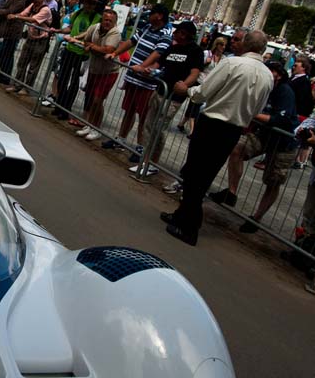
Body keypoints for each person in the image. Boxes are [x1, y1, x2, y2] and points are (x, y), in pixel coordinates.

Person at [159, 30, 273, 245]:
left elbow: (206, 90)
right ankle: (182, 215)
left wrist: (187, 90)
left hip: (213, 124)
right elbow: (257, 108)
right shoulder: (267, 75)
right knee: (203, 174)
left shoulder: (232, 64)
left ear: (247, 44)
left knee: (194, 174)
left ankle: (190, 226)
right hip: (234, 129)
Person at [210, 61, 299, 233]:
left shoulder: (284, 91)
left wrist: (251, 114)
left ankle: (256, 218)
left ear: (279, 75)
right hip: (264, 135)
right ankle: (232, 192)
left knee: (273, 181)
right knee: (237, 149)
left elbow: (281, 119)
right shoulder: (263, 86)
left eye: (271, 71)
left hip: (284, 143)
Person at [128, 20, 204, 175]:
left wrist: (185, 85)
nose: (174, 34)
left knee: (158, 129)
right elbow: (159, 64)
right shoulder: (173, 48)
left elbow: (195, 72)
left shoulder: (195, 51)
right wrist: (145, 69)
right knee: (149, 126)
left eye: (178, 32)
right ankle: (145, 160)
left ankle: (152, 163)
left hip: (173, 97)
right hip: (160, 90)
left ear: (184, 34)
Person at [102, 4, 172, 156]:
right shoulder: (147, 27)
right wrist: (115, 53)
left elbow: (157, 53)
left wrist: (142, 66)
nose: (149, 16)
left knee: (144, 116)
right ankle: (121, 138)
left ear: (159, 16)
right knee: (129, 110)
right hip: (134, 77)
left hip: (147, 81)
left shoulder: (166, 33)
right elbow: (131, 42)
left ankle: (141, 146)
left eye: (152, 13)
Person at [74, 8, 121, 140]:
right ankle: (90, 124)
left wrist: (92, 47)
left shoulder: (115, 33)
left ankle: (97, 128)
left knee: (97, 100)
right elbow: (85, 40)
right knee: (90, 98)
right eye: (105, 20)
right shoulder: (95, 28)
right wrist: (89, 44)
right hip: (94, 69)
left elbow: (108, 49)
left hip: (108, 72)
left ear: (115, 23)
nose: (107, 23)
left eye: (110, 21)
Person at [53, 0, 100, 122]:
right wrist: (59, 31)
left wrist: (76, 38)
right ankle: (59, 104)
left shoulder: (96, 17)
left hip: (81, 53)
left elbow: (89, 32)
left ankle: (66, 109)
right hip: (70, 50)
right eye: (87, 2)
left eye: (92, 3)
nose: (89, 5)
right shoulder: (78, 13)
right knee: (62, 78)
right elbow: (70, 28)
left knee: (74, 82)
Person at [6, 0, 52, 95]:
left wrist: (16, 17)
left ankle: (26, 88)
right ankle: (17, 85)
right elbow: (23, 14)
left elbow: (32, 19)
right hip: (31, 37)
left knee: (33, 66)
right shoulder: (32, 5)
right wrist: (15, 15)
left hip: (41, 40)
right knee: (22, 62)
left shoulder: (45, 10)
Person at [0, 0, 28, 84]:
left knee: (6, 53)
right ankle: (3, 73)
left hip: (13, 31)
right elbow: (5, 9)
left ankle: (6, 75)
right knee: (2, 52)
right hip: (7, 30)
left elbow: (10, 11)